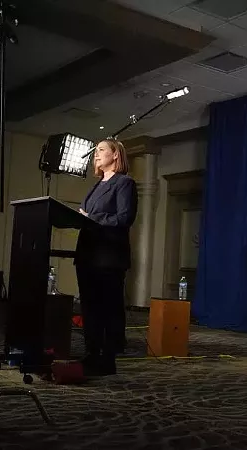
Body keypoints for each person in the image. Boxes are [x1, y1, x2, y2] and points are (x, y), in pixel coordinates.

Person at [75, 139, 138, 376]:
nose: (96, 154)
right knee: (89, 308)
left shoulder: (125, 184)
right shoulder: (96, 185)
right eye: (96, 151)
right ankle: (92, 353)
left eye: (101, 150)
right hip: (87, 255)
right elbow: (84, 214)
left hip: (109, 257)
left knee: (108, 308)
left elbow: (124, 218)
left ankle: (107, 358)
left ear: (115, 155)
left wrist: (93, 217)